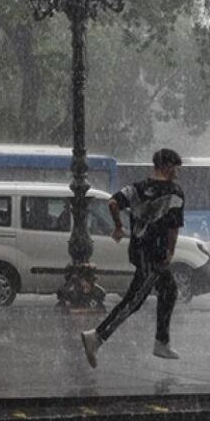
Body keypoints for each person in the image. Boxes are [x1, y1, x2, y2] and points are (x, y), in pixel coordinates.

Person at [81, 148, 184, 367]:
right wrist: (170, 251)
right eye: (175, 168)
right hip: (155, 253)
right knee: (133, 300)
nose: (177, 172)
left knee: (169, 290)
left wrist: (119, 226)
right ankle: (97, 337)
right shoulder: (174, 192)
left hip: (138, 250)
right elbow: (173, 228)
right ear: (167, 166)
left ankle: (161, 342)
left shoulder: (137, 187)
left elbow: (113, 202)